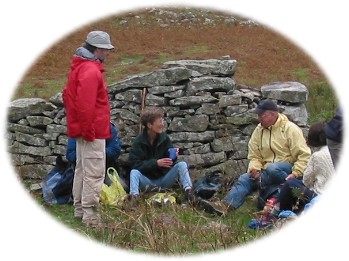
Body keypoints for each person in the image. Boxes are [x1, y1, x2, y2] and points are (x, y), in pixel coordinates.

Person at [200, 99, 311, 215]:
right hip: (267, 171)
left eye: (262, 115)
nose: (259, 118)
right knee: (245, 178)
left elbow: (304, 155)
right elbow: (254, 155)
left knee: (272, 168)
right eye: (258, 115)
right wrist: (254, 169)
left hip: (288, 170)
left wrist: (296, 173)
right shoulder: (259, 130)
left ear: (273, 114)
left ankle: (289, 186)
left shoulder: (290, 129)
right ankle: (224, 206)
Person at [62, 30, 115, 227]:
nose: (108, 53)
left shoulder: (79, 68)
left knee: (82, 170)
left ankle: (79, 210)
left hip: (83, 131)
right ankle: (91, 216)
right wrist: (89, 130)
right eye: (106, 49)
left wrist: (80, 127)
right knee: (94, 172)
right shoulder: (91, 71)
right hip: (92, 131)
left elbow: (67, 97)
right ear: (98, 49)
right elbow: (86, 105)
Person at [128, 106, 196, 204]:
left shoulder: (165, 139)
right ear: (150, 125)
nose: (162, 124)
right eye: (159, 121)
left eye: (162, 121)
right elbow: (135, 164)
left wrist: (173, 156)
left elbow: (170, 163)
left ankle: (189, 194)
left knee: (182, 165)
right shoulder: (139, 142)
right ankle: (134, 198)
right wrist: (156, 163)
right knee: (134, 172)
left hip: (164, 180)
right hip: (147, 182)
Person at [275, 121, 335, 214]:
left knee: (290, 185)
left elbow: (306, 181)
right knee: (295, 182)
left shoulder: (317, 156)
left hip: (318, 197)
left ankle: (282, 214)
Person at [66, 122, 123, 186]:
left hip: (105, 169)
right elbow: (70, 154)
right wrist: (91, 154)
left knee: (120, 188)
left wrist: (96, 153)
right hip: (82, 171)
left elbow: (115, 150)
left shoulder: (108, 128)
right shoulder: (77, 129)